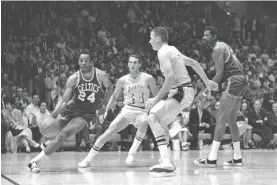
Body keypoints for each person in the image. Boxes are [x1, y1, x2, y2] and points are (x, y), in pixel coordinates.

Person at [145, 27, 218, 173]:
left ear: (158, 38)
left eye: (151, 37)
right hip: (185, 92)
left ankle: (166, 161)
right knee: (161, 123)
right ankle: (166, 159)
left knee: (152, 117)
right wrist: (207, 81)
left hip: (181, 91)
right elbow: (194, 63)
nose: (149, 41)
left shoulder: (162, 52)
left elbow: (171, 77)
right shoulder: (173, 50)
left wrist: (157, 98)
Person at [28, 50, 112, 173]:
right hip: (72, 108)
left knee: (62, 136)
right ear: (78, 62)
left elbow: (110, 87)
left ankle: (33, 161)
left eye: (86, 60)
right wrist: (56, 111)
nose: (83, 63)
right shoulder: (73, 78)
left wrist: (104, 105)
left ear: (92, 62)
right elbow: (65, 98)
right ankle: (48, 144)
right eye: (81, 60)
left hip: (86, 114)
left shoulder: (101, 75)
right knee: (52, 133)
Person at [78, 53, 158, 168]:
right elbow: (114, 97)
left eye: (135, 62)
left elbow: (156, 95)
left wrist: (156, 109)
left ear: (140, 64)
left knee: (144, 121)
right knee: (107, 133)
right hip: (127, 111)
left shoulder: (148, 78)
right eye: (130, 62)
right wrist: (105, 110)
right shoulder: (122, 80)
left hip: (142, 111)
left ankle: (132, 152)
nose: (132, 65)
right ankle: (88, 159)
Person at [194, 26, 248, 167]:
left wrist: (205, 92)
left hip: (234, 80)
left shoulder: (217, 49)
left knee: (221, 119)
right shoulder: (225, 46)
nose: (204, 38)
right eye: (203, 35)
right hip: (242, 80)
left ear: (215, 36)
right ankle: (237, 158)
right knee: (231, 120)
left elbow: (219, 75)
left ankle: (212, 158)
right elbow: (223, 73)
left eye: (207, 35)